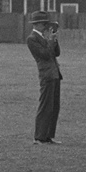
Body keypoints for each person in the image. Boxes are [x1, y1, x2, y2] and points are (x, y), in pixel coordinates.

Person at [27, 10, 62, 144]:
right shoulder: (32, 39)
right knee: (45, 106)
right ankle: (39, 137)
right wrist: (50, 40)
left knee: (54, 107)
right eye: (44, 23)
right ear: (38, 24)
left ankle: (48, 136)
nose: (46, 26)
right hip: (46, 75)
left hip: (55, 74)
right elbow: (45, 54)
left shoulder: (45, 37)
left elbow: (56, 53)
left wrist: (54, 39)